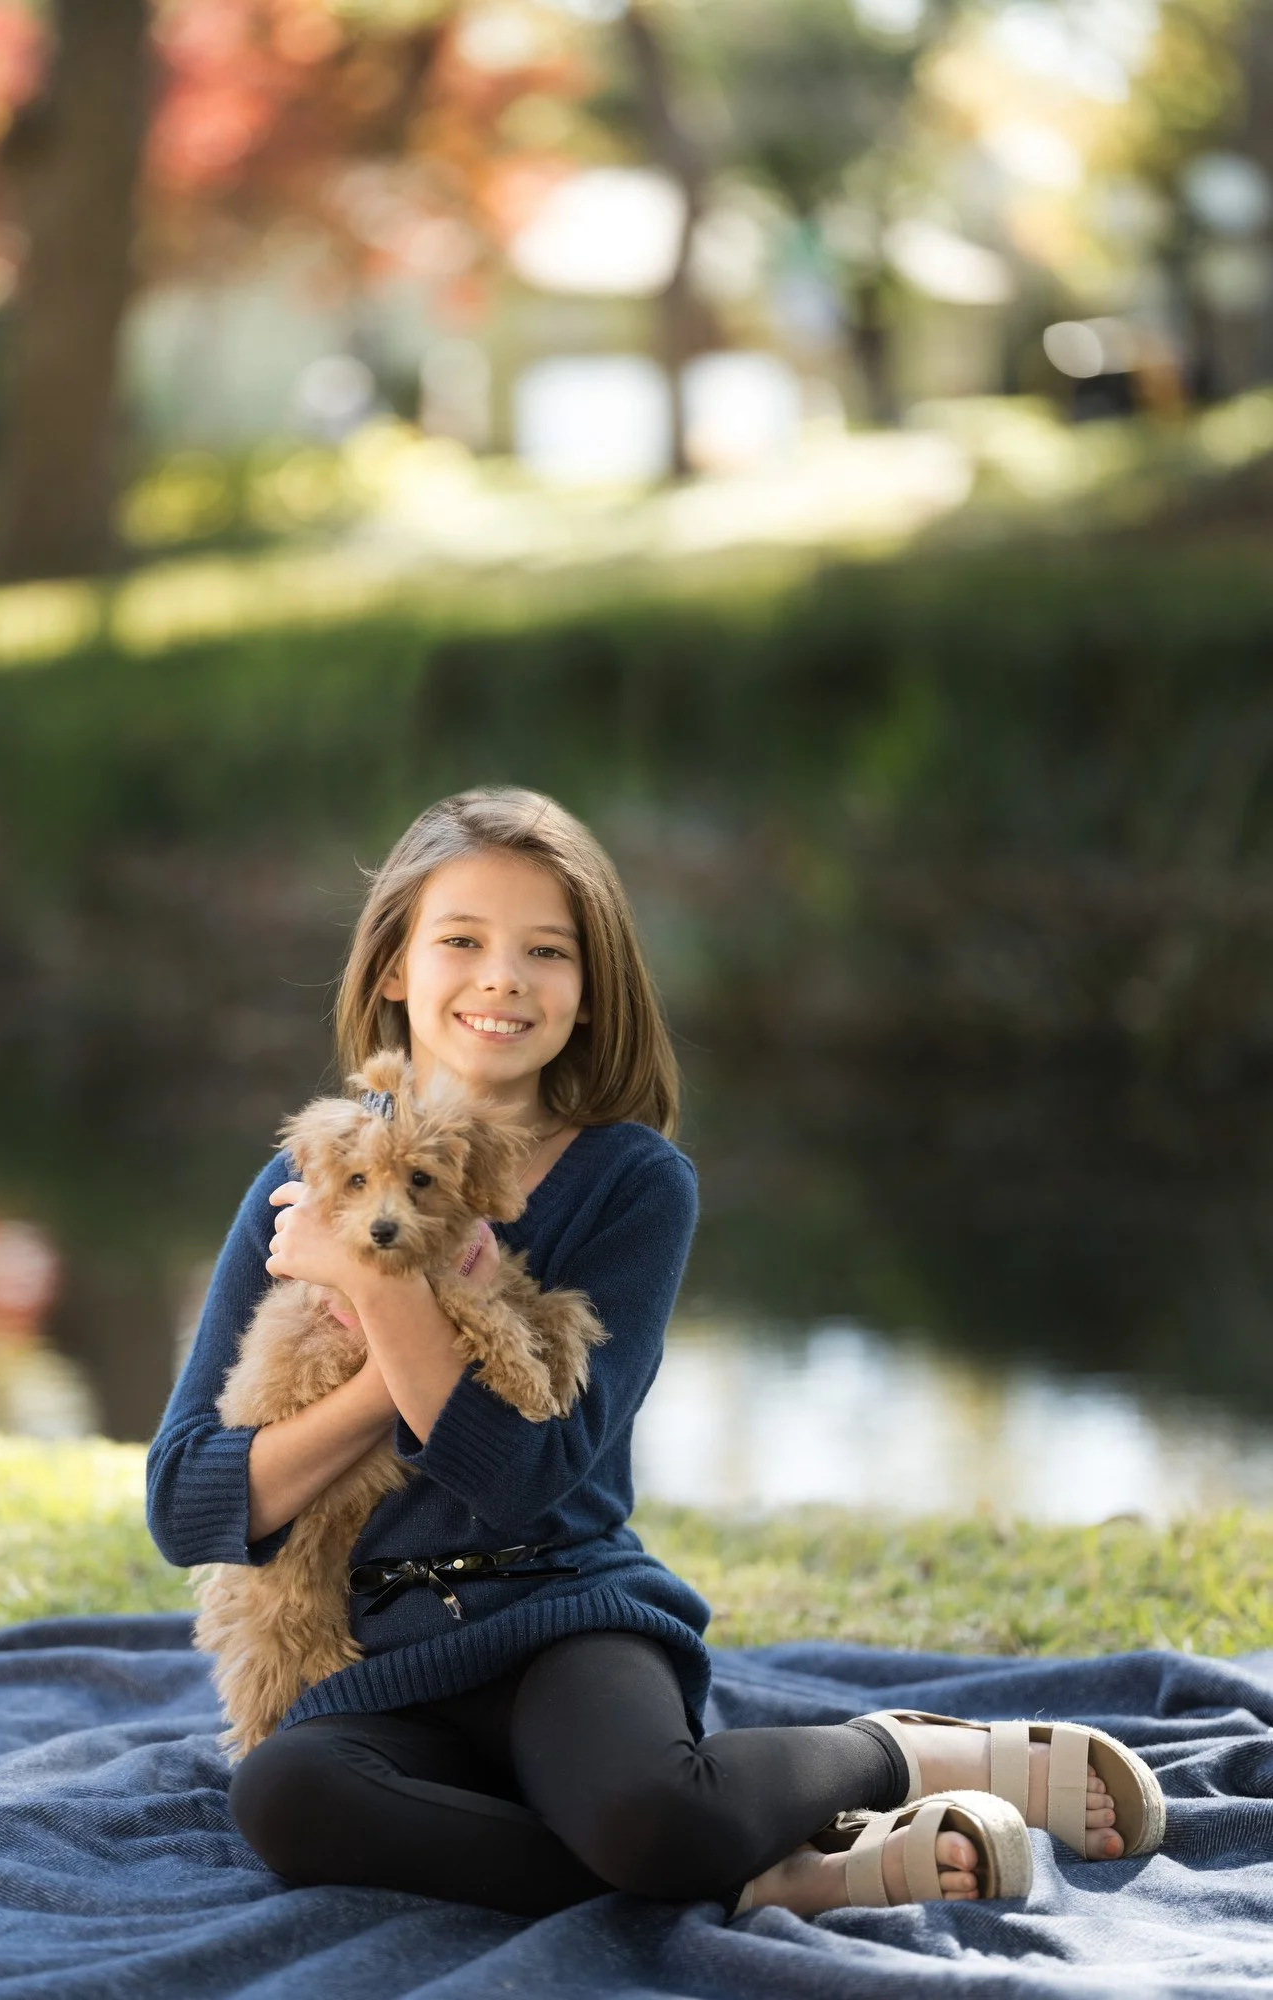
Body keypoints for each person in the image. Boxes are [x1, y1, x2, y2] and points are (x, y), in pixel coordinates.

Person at [146, 787, 1130, 1920]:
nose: (502, 978)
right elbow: (188, 1501)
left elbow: (516, 1478)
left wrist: (372, 1279)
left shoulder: (634, 1183)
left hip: (565, 1614)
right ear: (392, 971)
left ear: (590, 987)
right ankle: (773, 1870)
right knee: (284, 1800)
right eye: (461, 940)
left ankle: (893, 1754)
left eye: (546, 951)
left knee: (651, 1812)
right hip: (373, 1657)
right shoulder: (305, 1186)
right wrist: (382, 1336)